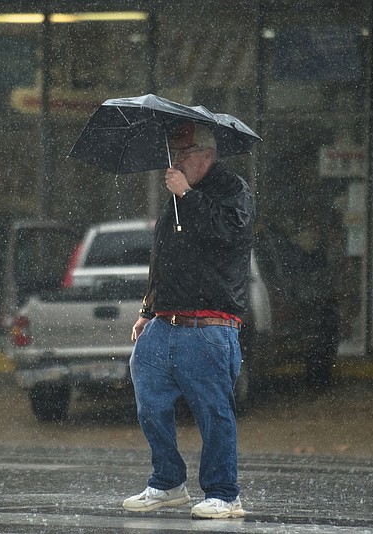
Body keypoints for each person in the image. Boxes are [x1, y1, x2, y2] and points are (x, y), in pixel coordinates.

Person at [123, 120, 254, 519]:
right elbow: (162, 256)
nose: (174, 163)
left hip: (210, 325)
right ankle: (168, 480)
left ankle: (223, 493)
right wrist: (148, 310)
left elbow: (230, 235)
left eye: (183, 155)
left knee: (213, 409)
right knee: (147, 392)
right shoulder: (176, 200)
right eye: (172, 155)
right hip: (166, 322)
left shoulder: (233, 191)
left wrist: (188, 196)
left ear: (207, 155)